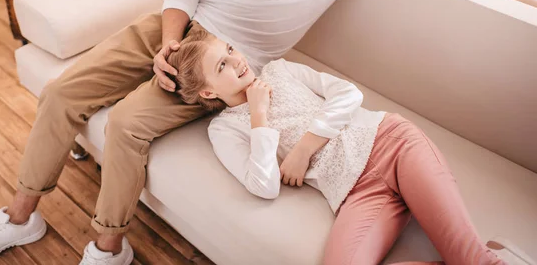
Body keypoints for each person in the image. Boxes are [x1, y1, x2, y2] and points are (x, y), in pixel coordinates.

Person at [0, 0, 536, 264]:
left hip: (226, 66)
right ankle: (21, 216)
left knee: (128, 125)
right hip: (175, 30)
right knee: (60, 92)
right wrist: (167, 45)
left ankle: (108, 248)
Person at [166, 29, 534, 265]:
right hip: (358, 192)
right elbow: (262, 185)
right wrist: (259, 117)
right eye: (223, 65)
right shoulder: (225, 129)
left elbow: (348, 94)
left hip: (393, 144)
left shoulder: (280, 70)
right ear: (208, 91)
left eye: (230, 49)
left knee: (470, 259)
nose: (237, 61)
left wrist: (304, 148)